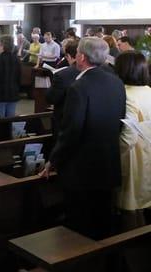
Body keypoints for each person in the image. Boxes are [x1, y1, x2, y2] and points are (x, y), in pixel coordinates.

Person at [41, 37, 126, 240]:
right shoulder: (116, 81)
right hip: (108, 163)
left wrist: (53, 160)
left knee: (80, 227)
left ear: (81, 57)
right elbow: (120, 120)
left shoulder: (79, 87)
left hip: (82, 169)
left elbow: (71, 131)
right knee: (103, 222)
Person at [114, 52, 151, 230]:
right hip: (147, 150)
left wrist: (114, 154)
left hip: (132, 155)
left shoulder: (127, 94)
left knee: (130, 205)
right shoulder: (148, 91)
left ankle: (131, 249)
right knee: (142, 201)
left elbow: (128, 134)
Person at [45, 40, 80, 139]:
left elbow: (50, 98)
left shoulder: (63, 75)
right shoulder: (105, 72)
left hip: (65, 119)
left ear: (68, 56)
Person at [0, 35, 21, 118]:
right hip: (13, 93)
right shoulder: (17, 59)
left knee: (0, 120)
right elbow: (19, 77)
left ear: (2, 46)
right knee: (10, 119)